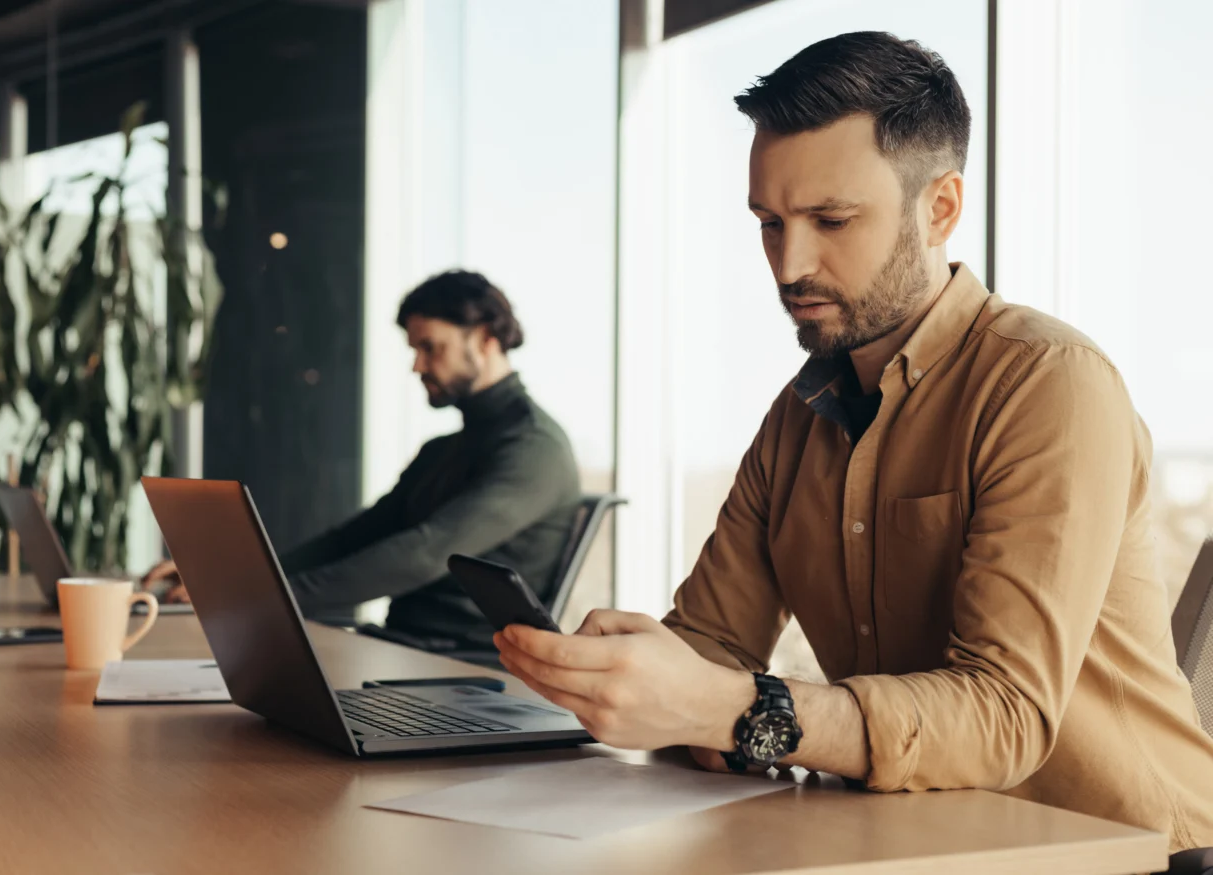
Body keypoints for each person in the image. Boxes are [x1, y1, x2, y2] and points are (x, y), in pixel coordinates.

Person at [493, 31, 1213, 854]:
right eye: (769, 223)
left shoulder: (1050, 383)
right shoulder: (798, 415)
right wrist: (635, 676)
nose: (789, 264)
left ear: (939, 206)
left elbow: (1004, 713)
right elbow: (713, 645)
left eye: (831, 219)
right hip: (920, 840)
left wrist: (730, 708)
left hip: (1126, 853)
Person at [145, 270, 580, 648]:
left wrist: (252, 596)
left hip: (469, 674)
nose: (417, 366)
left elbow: (425, 553)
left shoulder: (533, 450)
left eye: (431, 347)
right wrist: (236, 576)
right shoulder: (443, 451)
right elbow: (356, 537)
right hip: (404, 650)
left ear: (485, 339)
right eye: (414, 349)